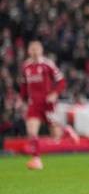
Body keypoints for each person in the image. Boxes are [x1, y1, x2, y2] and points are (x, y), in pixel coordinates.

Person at [18, 40, 71, 170]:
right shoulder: (26, 66)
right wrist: (22, 100)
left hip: (47, 103)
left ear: (41, 50)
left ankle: (66, 131)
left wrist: (54, 93)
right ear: (28, 51)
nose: (35, 52)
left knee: (56, 135)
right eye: (32, 49)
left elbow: (61, 81)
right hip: (33, 104)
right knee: (31, 131)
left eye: (37, 49)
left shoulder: (48, 64)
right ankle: (36, 160)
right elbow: (24, 85)